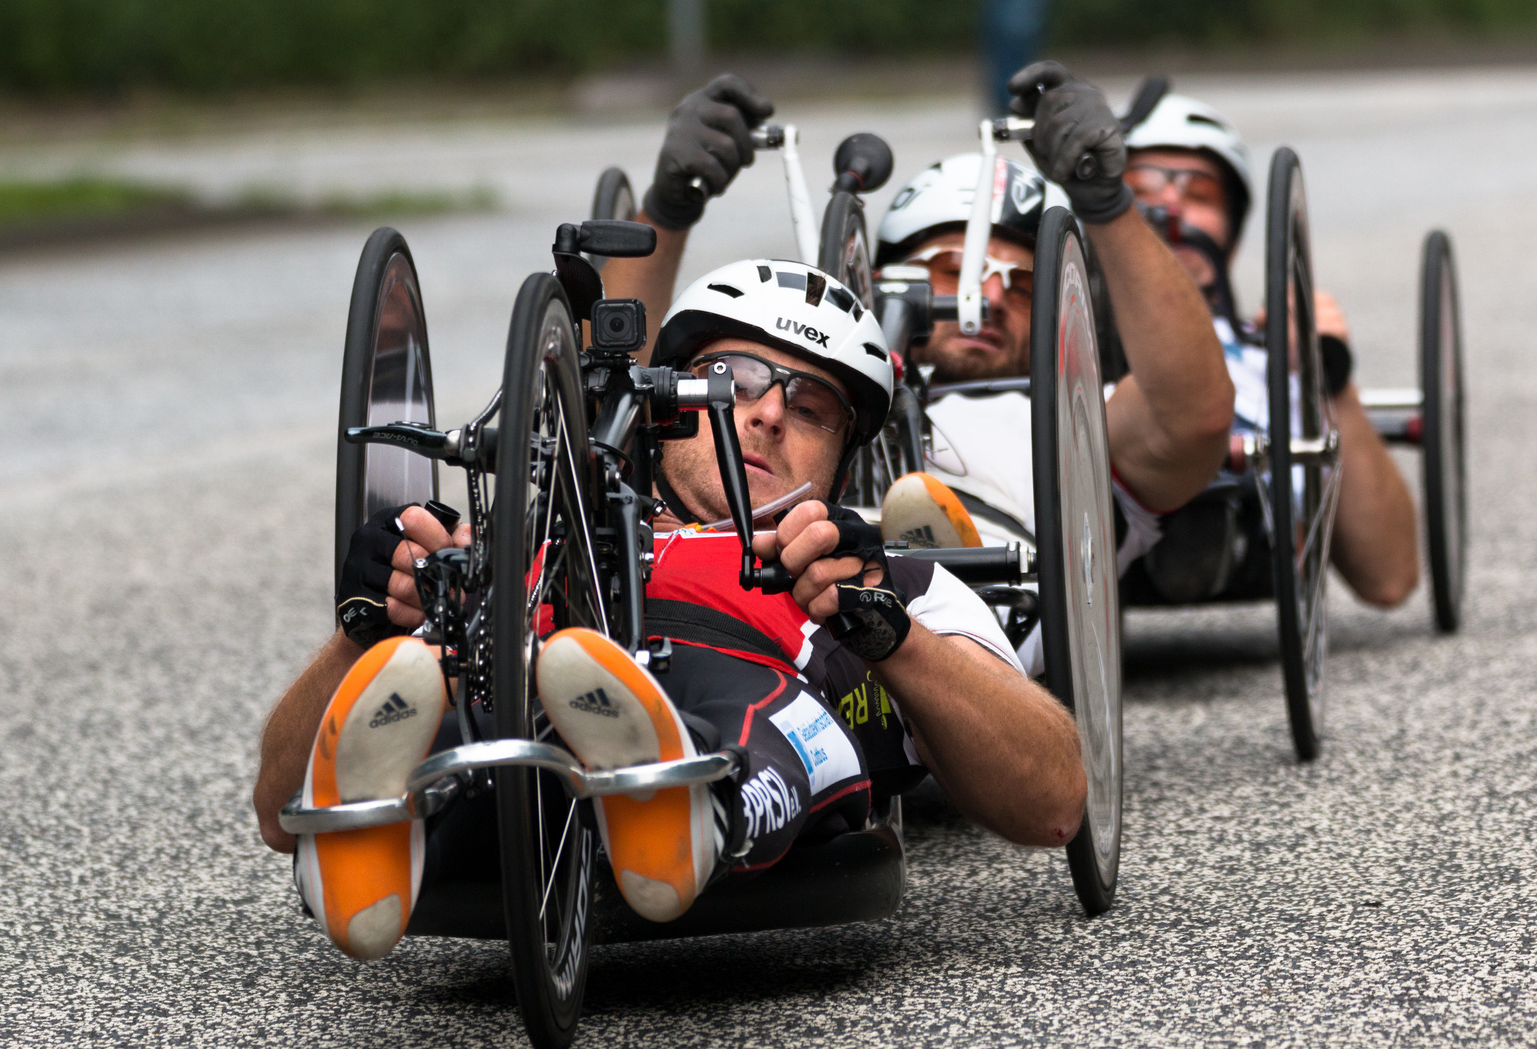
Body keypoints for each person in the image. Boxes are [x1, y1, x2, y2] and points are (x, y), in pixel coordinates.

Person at [252, 259, 1088, 961]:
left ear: (840, 460)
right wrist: (363, 629)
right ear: (661, 403)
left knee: (751, 719)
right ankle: (377, 825)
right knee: (443, 689)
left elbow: (1055, 799)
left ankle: (688, 810)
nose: (764, 413)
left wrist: (894, 638)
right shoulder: (527, 540)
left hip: (755, 703)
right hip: (520, 700)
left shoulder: (888, 579)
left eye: (809, 410)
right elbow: (273, 812)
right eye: (731, 381)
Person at [603, 66, 1237, 674]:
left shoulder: (1077, 420)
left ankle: (933, 556)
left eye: (1020, 285)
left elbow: (1193, 418)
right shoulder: (795, 390)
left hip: (955, 636)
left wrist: (1106, 204)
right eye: (949, 265)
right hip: (731, 597)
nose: (982, 298)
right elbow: (600, 392)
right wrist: (667, 209)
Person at [1121, 86, 1419, 608]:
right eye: (1140, 188)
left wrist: (1330, 379)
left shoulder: (1271, 352)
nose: (1169, 205)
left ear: (1232, 233)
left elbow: (1390, 579)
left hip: (1245, 507)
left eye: (1199, 194)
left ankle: (1209, 513)